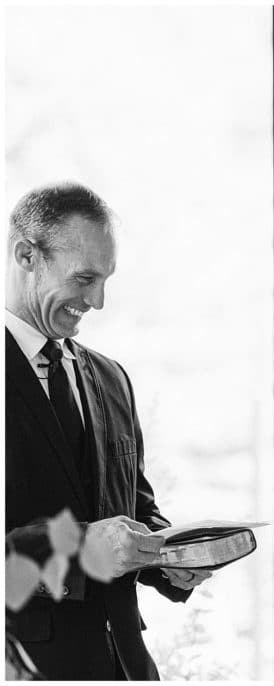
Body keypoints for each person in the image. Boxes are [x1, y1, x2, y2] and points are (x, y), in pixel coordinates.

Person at [5, 181, 211, 680]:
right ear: (26, 256)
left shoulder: (111, 377)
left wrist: (171, 557)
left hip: (126, 664)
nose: (97, 301)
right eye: (84, 279)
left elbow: (136, 508)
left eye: (106, 280)